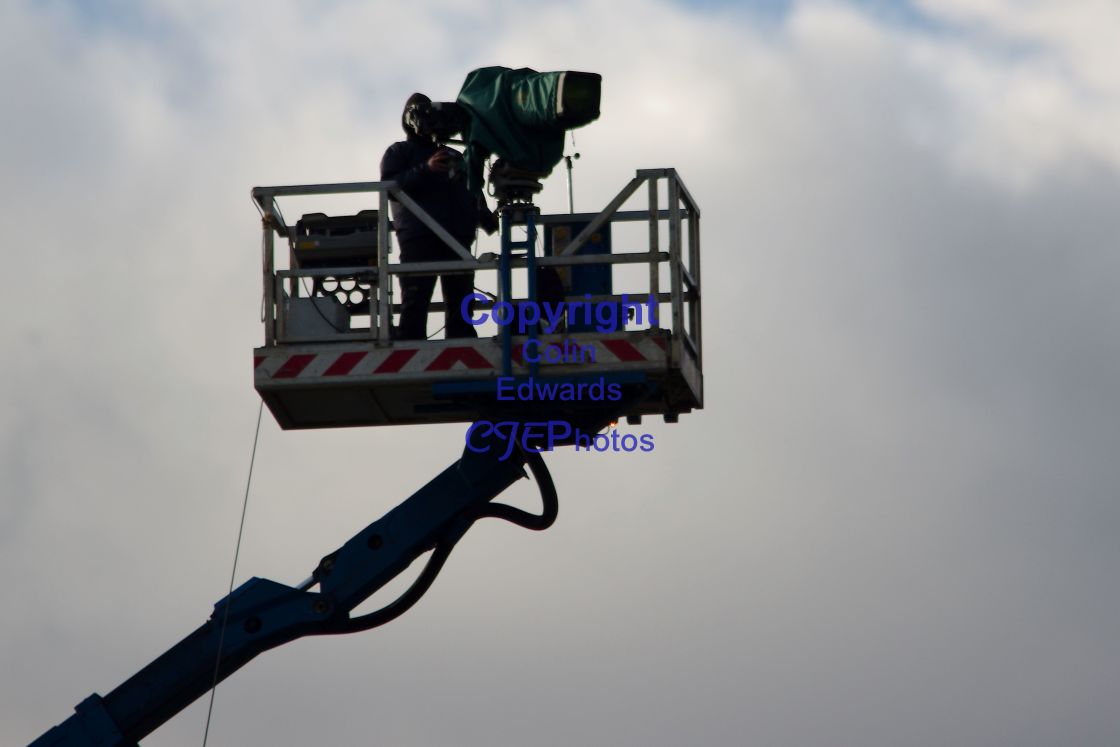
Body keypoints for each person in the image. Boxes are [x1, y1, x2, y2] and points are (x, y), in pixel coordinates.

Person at [380, 92, 496, 340]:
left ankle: (463, 343)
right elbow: (390, 188)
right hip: (419, 238)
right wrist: (426, 169)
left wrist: (486, 217)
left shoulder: (452, 155)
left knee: (461, 302)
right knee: (415, 300)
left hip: (457, 237)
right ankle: (410, 347)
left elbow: (471, 188)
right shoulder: (399, 152)